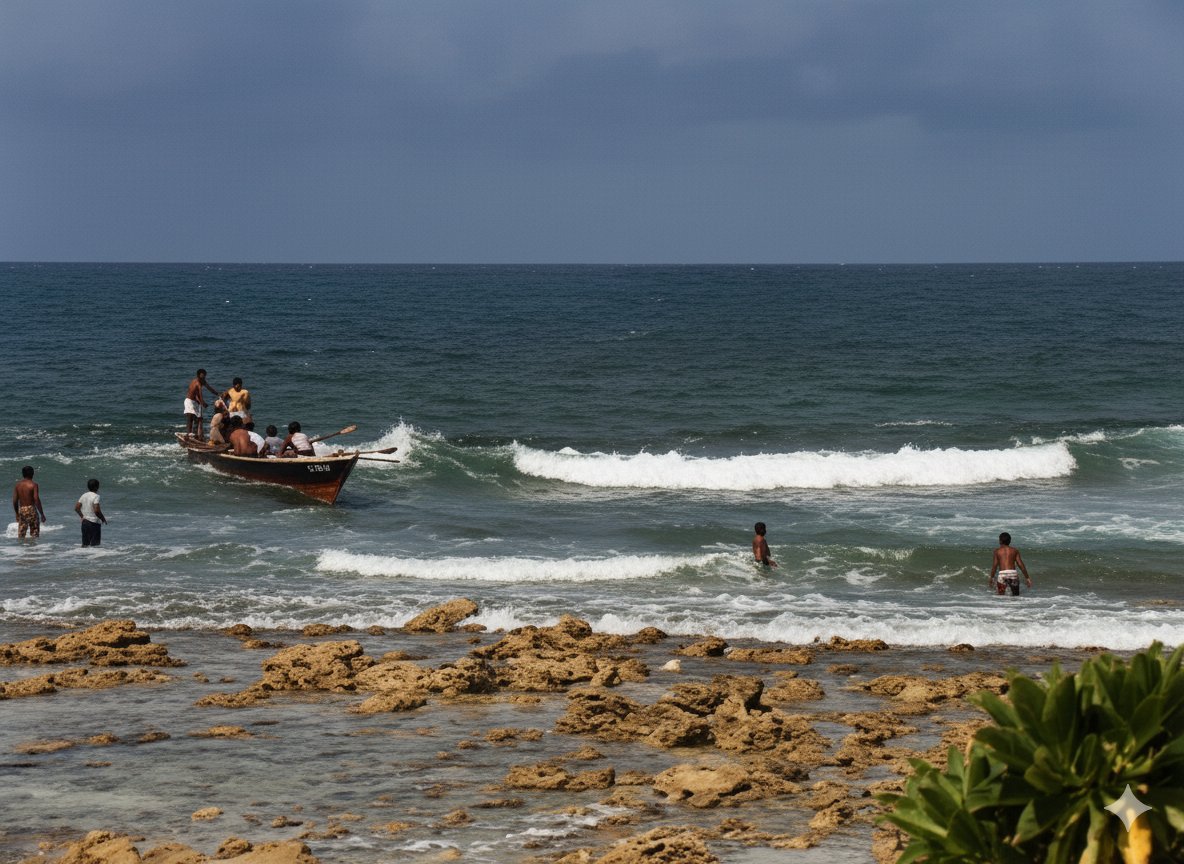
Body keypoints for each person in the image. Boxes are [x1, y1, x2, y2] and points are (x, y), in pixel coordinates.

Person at [989, 532, 1032, 596]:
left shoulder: (997, 551)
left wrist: (991, 577)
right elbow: (1020, 564)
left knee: (1001, 596)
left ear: (1000, 541)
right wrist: (1027, 578)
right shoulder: (1015, 550)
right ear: (1010, 541)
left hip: (1002, 575)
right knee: (1016, 596)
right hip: (1013, 574)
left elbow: (995, 565)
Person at [184, 369, 221, 440]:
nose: (203, 378)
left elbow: (209, 388)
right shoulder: (197, 383)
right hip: (189, 401)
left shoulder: (203, 381)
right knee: (190, 418)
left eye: (204, 377)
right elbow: (200, 395)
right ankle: (188, 435)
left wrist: (217, 393)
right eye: (202, 377)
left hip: (196, 401)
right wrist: (203, 403)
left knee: (198, 419)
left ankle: (197, 434)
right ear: (198, 376)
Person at [12, 466, 47, 539]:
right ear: (32, 473)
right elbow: (36, 499)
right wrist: (42, 514)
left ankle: (21, 549)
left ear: (23, 474)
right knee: (34, 533)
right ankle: (33, 549)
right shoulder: (34, 485)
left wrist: (17, 513)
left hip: (22, 509)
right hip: (31, 509)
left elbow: (15, 501)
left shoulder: (17, 485)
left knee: (21, 533)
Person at [74, 478, 107, 547]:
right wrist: (103, 519)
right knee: (95, 546)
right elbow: (97, 511)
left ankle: (81, 557)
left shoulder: (84, 495)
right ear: (96, 487)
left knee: (85, 545)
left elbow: (77, 508)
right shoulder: (96, 496)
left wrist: (82, 516)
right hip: (94, 523)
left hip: (85, 522)